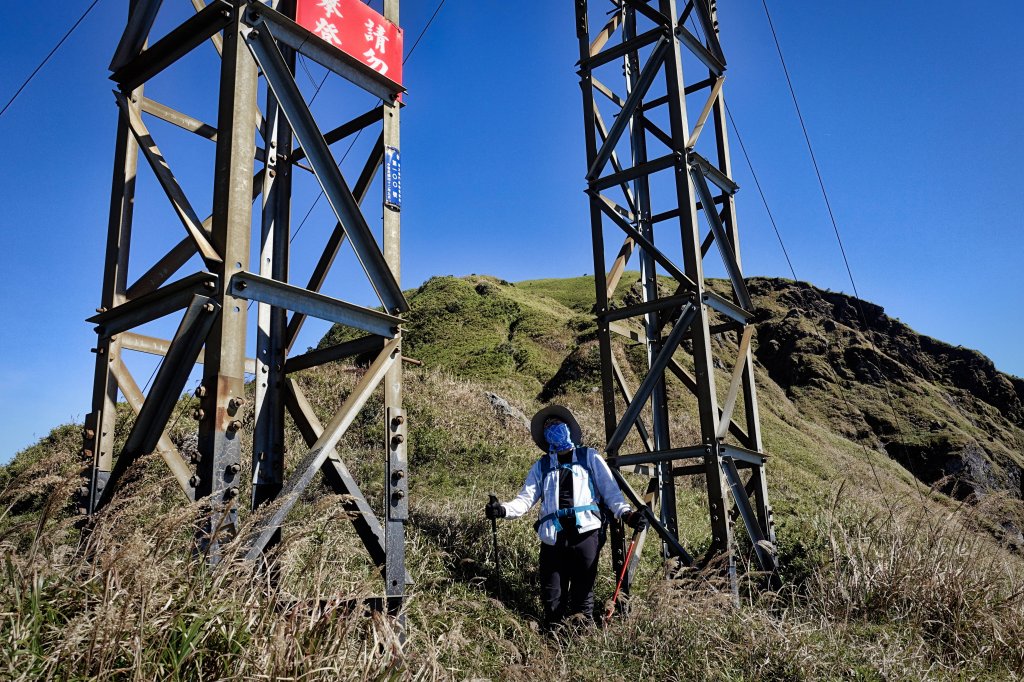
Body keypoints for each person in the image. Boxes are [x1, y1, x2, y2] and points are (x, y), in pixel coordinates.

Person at [485, 404, 648, 628]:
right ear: (545, 436)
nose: (553, 427)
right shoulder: (541, 466)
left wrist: (627, 514)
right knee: (552, 598)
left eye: (557, 423)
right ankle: (554, 643)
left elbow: (611, 492)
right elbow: (525, 499)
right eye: (548, 426)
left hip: (586, 535)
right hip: (553, 538)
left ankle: (582, 643)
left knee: (583, 596)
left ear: (568, 428)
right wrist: (502, 509)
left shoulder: (589, 456)